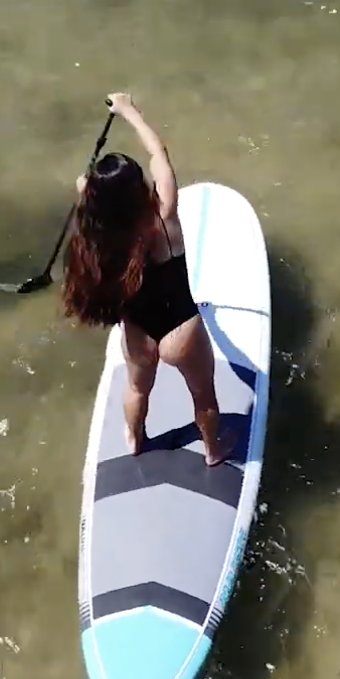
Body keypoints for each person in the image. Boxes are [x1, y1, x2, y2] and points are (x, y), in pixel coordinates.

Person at [60, 93, 237, 466]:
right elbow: (160, 155)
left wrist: (88, 185)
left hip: (139, 330)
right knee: (203, 394)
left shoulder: (102, 230)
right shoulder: (162, 216)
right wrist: (129, 112)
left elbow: (88, 191)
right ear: (139, 188)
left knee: (138, 386)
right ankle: (213, 450)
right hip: (180, 330)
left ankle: (135, 439)